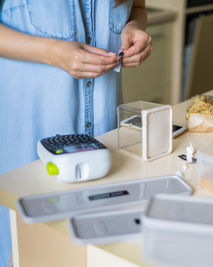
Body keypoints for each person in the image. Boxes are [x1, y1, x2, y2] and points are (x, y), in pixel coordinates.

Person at [0, 0, 152, 266]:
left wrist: (135, 27)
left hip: (105, 148)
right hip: (27, 146)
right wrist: (52, 52)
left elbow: (137, 6)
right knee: (28, 253)